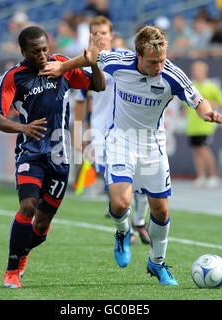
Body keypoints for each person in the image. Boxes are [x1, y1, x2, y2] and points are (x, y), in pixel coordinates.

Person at [40, 26, 222, 286]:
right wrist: (61, 68)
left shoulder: (172, 74)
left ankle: (157, 262)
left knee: (160, 210)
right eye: (153, 61)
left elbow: (197, 98)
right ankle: (122, 232)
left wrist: (206, 112)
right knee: (119, 204)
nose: (159, 66)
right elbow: (91, 58)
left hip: (153, 144)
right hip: (121, 141)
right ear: (138, 55)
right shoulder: (119, 62)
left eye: (161, 60)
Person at [0, 25, 105, 289]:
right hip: (31, 153)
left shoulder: (61, 65)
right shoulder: (13, 77)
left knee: (41, 226)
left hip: (61, 157)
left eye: (44, 49)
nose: (42, 55)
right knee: (27, 206)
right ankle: (11, 269)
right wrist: (23, 128)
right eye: (35, 51)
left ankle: (25, 251)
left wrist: (94, 64)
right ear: (23, 51)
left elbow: (98, 86)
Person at [73, 15, 150, 245]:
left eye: (103, 33)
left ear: (111, 35)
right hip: (100, 132)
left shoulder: (127, 58)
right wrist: (78, 135)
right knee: (114, 180)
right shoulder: (86, 63)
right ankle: (128, 229)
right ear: (90, 36)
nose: (100, 37)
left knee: (142, 178)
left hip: (130, 129)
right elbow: (80, 100)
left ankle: (138, 221)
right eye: (95, 34)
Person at [183, 61, 222, 188]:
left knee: (204, 149)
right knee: (196, 150)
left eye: (199, 71)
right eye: (195, 71)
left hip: (205, 125)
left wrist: (207, 103)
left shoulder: (211, 87)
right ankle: (201, 176)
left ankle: (214, 176)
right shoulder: (191, 86)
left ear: (204, 72)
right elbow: (186, 105)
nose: (196, 73)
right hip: (193, 125)